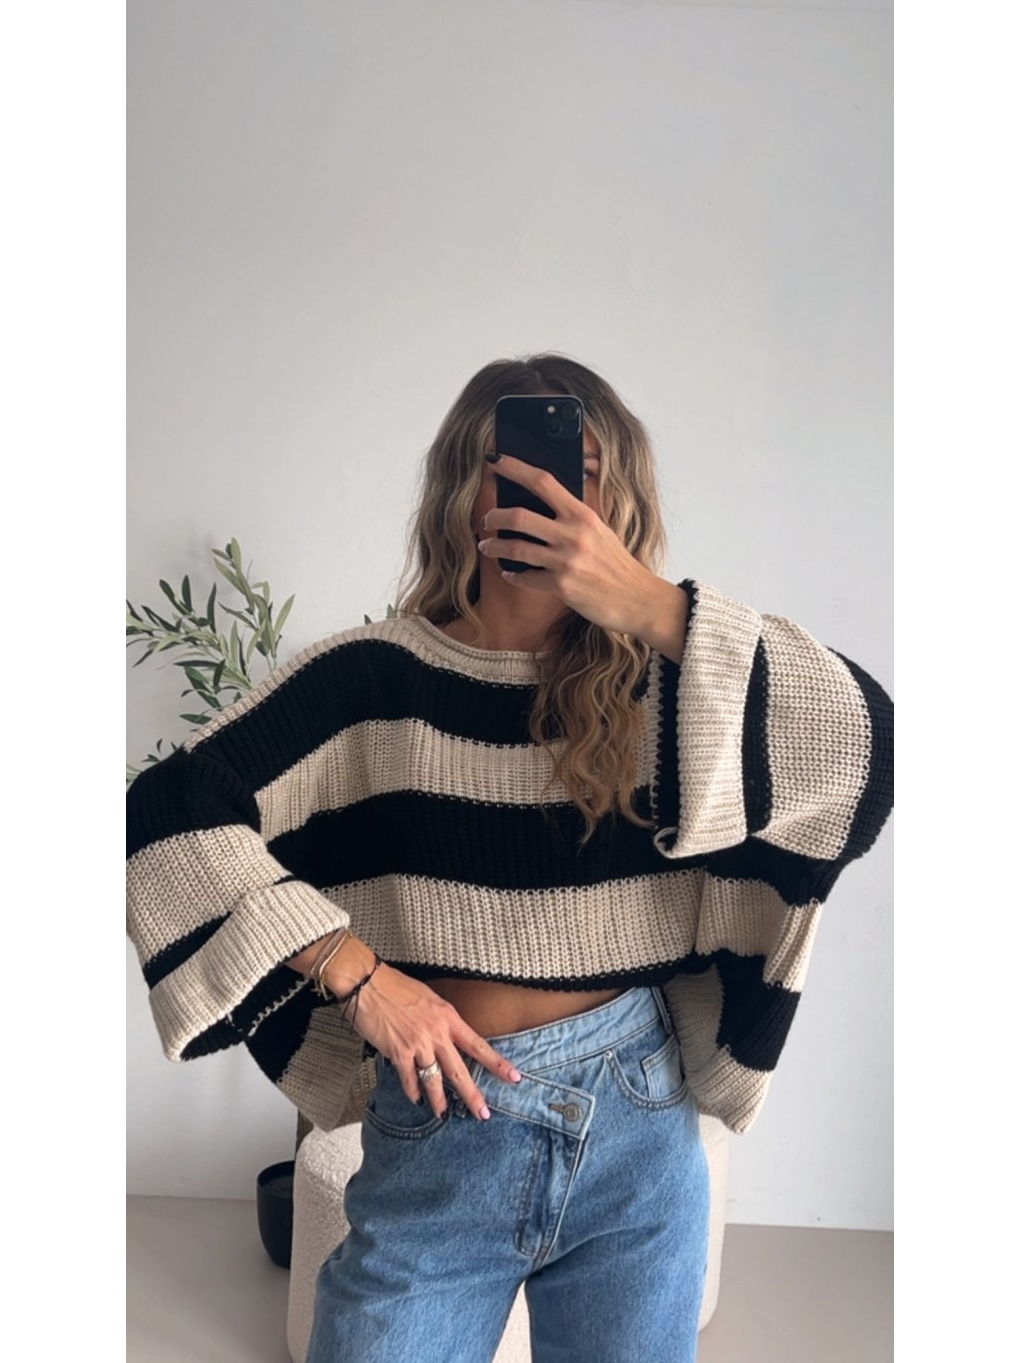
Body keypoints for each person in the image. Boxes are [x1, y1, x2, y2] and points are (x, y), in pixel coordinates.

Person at [126, 353, 894, 1363]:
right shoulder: (372, 679)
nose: (547, 493)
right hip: (441, 1120)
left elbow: (864, 752)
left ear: (618, 500)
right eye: (515, 468)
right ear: (464, 489)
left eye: (578, 472)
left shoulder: (673, 690)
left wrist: (653, 606)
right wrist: (356, 975)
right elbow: (163, 812)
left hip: (637, 1127)